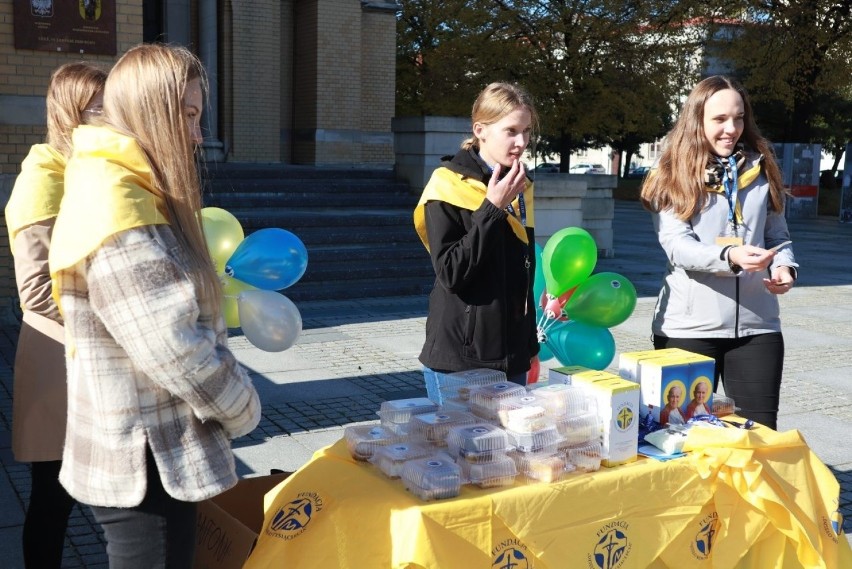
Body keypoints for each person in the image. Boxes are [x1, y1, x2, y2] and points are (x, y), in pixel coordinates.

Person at [48, 44, 261, 567]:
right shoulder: (115, 198)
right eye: (186, 115)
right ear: (150, 110)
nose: (195, 134)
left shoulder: (122, 185)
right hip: (148, 456)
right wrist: (242, 406)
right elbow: (170, 347)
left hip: (146, 450)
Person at [640, 75, 798, 430]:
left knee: (758, 437)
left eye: (738, 118)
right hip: (690, 328)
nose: (731, 129)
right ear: (697, 121)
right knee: (683, 438)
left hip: (758, 327)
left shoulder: (761, 168)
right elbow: (677, 246)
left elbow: (778, 234)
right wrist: (729, 258)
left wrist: (785, 268)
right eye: (720, 120)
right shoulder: (670, 173)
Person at [4, 61, 106, 568]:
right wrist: (117, 325)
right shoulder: (44, 176)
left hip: (90, 358)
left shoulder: (95, 174)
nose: (110, 117)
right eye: (97, 107)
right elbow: (37, 292)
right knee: (52, 497)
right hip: (56, 360)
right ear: (68, 112)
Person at [413, 82, 540, 394]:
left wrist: (529, 343)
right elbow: (451, 273)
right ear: (480, 130)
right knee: (458, 444)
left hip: (511, 354)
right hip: (461, 359)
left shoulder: (520, 185)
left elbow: (525, 269)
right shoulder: (447, 184)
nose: (521, 142)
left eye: (526, 131)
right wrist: (492, 209)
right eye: (511, 131)